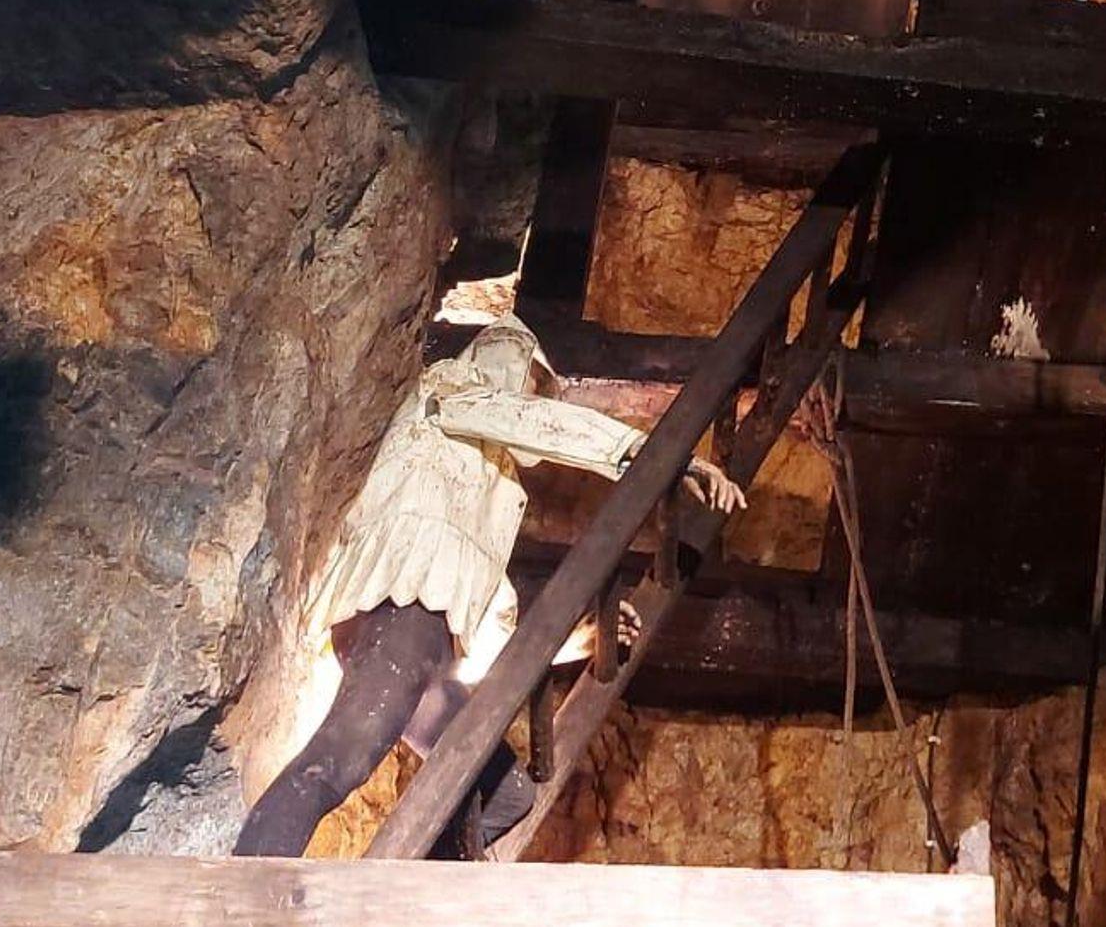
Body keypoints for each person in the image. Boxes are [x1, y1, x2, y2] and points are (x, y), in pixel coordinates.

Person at [235, 314, 744, 856]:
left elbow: (490, 622)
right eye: (531, 380)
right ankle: (248, 884)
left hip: (432, 638)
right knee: (342, 757)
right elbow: (522, 418)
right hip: (401, 608)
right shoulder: (448, 389)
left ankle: (398, 896)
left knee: (503, 796)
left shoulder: (490, 485)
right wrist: (660, 456)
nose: (533, 394)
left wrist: (573, 643)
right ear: (504, 358)